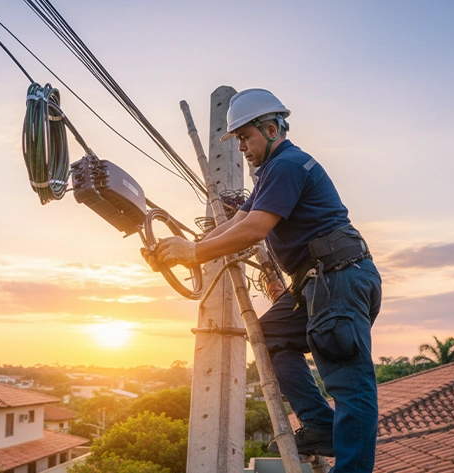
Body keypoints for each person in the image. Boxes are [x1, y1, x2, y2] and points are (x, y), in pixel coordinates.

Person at [142, 88, 382, 472]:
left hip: (339, 279)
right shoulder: (272, 173)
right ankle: (321, 425)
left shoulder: (288, 165)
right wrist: (190, 249)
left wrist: (194, 252)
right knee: (270, 337)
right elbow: (240, 220)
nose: (241, 147)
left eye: (245, 137)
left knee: (349, 383)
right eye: (237, 140)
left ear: (271, 129)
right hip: (317, 283)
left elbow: (255, 228)